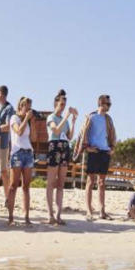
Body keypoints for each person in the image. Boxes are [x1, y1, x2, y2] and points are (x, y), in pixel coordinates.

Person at [78, 94, 117, 220]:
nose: (109, 106)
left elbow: (112, 134)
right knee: (90, 181)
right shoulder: (91, 117)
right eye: (108, 104)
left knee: (102, 182)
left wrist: (112, 148)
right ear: (101, 103)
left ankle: (102, 211)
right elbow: (83, 133)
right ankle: (89, 211)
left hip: (105, 151)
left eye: (110, 104)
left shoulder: (108, 119)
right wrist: (86, 147)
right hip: (94, 151)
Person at [45, 90, 78, 225]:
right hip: (54, 146)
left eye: (64, 104)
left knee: (61, 183)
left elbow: (69, 137)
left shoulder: (66, 121)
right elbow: (56, 131)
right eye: (61, 104)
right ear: (55, 104)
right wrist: (66, 117)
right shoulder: (51, 117)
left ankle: (58, 214)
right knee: (51, 182)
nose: (63, 107)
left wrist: (73, 121)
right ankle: (50, 214)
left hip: (64, 147)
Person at [7, 96, 36, 226]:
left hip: (28, 152)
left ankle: (26, 216)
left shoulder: (28, 121)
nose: (28, 109)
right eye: (26, 106)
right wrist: (25, 119)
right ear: (20, 106)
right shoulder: (14, 118)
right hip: (17, 153)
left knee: (26, 186)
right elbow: (18, 132)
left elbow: (33, 137)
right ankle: (11, 217)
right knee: (13, 185)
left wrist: (33, 122)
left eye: (30, 106)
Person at [0, 85, 14, 204]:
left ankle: (8, 198)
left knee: (3, 171)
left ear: (1, 94)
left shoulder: (9, 108)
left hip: (2, 144)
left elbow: (8, 127)